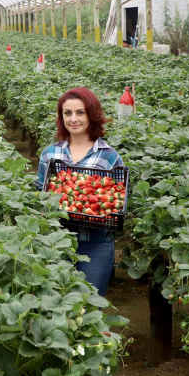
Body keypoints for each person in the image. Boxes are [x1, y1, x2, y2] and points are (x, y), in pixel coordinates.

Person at [35, 88, 124, 295]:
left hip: (96, 245)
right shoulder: (50, 153)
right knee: (54, 302)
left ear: (91, 116)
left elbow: (117, 200)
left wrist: (107, 212)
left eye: (80, 113)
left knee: (89, 306)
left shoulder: (109, 156)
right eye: (67, 113)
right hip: (56, 243)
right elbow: (41, 192)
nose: (73, 119)